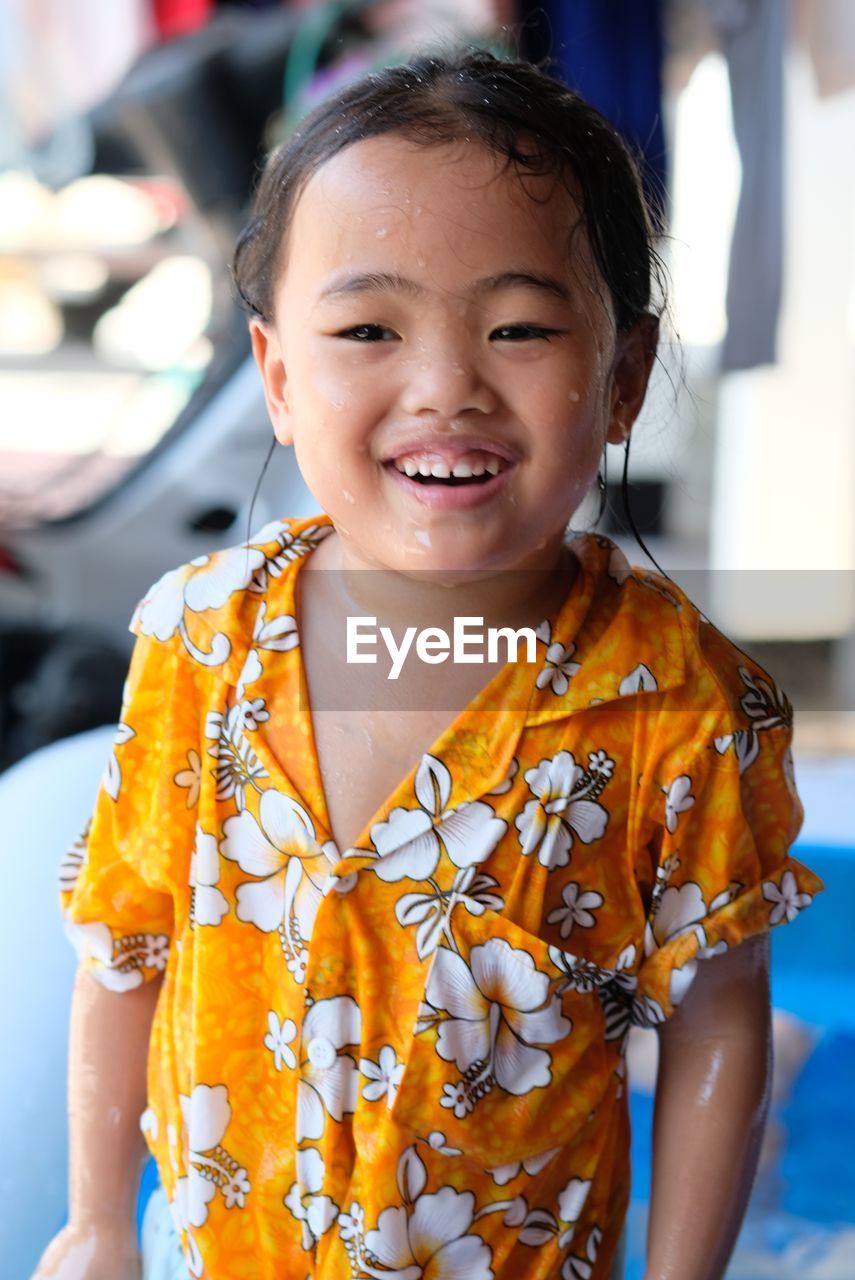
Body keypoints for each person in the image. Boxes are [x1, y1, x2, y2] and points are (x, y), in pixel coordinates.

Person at [34, 50, 825, 1280]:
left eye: (517, 327)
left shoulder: (676, 704)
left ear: (619, 379)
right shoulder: (204, 641)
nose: (447, 386)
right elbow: (123, 947)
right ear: (280, 377)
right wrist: (91, 1222)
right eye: (367, 329)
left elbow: (715, 1006)